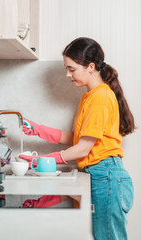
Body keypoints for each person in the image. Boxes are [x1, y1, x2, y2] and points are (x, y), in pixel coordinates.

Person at [19, 37, 135, 240]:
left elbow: (82, 148)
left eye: (71, 69)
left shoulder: (100, 97)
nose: (67, 74)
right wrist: (38, 130)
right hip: (100, 174)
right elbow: (78, 138)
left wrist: (43, 162)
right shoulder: (89, 96)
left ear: (90, 66)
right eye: (66, 69)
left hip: (105, 175)